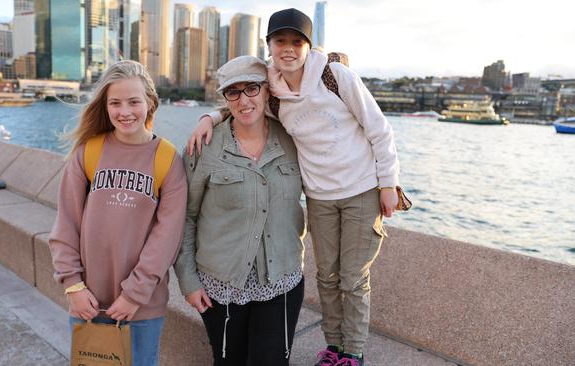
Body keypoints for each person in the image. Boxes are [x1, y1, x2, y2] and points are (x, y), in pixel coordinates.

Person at [187, 8, 400, 366]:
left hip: (361, 188)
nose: (288, 48)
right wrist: (210, 116)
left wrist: (388, 184)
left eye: (297, 41)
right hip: (319, 195)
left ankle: (354, 352)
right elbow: (243, 102)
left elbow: (379, 128)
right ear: (269, 46)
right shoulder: (272, 89)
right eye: (280, 41)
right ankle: (334, 348)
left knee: (353, 277)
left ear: (309, 45)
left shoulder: (334, 76)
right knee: (328, 276)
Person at [48, 60, 187, 366]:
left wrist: (134, 294)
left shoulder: (167, 159)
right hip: (88, 302)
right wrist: (73, 285)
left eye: (134, 102)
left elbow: (167, 238)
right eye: (115, 103)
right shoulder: (89, 152)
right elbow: (66, 224)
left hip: (142, 308)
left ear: (150, 103)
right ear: (105, 105)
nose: (125, 112)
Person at [174, 55, 305, 366]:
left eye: (252, 89)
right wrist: (188, 281)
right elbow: (185, 218)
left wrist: (385, 181)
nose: (244, 100)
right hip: (219, 284)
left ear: (267, 91)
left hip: (282, 280)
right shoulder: (202, 148)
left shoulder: (295, 140)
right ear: (224, 98)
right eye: (233, 92)